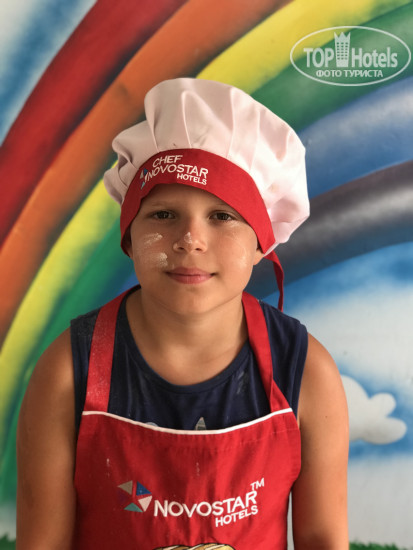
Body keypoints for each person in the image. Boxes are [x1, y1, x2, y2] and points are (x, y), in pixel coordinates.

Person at [16, 78, 349, 549]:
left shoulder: (305, 371)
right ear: (129, 235)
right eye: (164, 214)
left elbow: (321, 537)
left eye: (222, 216)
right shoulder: (70, 372)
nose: (190, 240)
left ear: (262, 241)